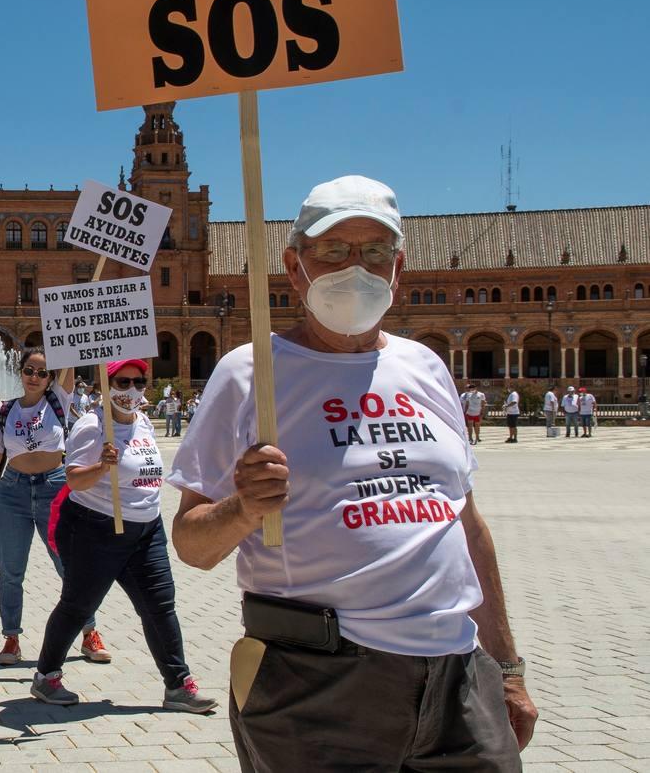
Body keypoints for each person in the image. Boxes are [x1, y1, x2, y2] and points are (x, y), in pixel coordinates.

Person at [170, 175, 536, 771]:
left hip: (460, 676)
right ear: (294, 266)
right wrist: (243, 509)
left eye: (375, 253)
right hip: (314, 681)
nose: (357, 269)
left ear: (399, 267)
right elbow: (191, 545)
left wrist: (509, 668)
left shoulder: (425, 367)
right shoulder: (249, 374)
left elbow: (466, 527)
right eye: (335, 251)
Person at [31, 358, 217, 712]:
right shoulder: (92, 424)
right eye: (122, 382)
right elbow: (73, 480)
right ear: (107, 385)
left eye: (138, 382)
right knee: (78, 605)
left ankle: (178, 685)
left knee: (160, 607)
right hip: (95, 528)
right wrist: (102, 466)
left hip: (146, 531)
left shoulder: (144, 421)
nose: (130, 390)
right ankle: (46, 677)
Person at [0, 350, 111, 667]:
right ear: (21, 372)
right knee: (11, 571)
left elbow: (70, 355)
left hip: (53, 488)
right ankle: (11, 638)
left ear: (51, 378)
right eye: (29, 370)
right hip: (12, 492)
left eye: (42, 372)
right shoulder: (6, 411)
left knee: (68, 565)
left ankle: (89, 632)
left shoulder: (58, 400)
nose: (35, 377)